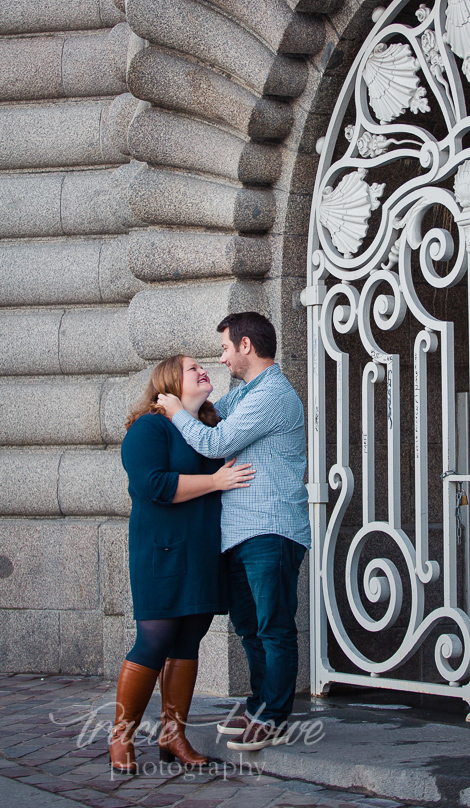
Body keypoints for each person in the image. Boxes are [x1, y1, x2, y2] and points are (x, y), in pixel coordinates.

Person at [157, 312, 310, 752]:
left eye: (225, 347)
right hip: (240, 532)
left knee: (273, 626)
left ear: (246, 345)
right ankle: (260, 704)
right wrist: (181, 402)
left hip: (271, 528)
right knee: (248, 626)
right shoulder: (243, 394)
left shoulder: (274, 395)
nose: (221, 358)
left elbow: (215, 443)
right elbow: (206, 421)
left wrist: (172, 410)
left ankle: (275, 717)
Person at [111, 354, 255, 773]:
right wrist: (214, 481)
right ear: (170, 381)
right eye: (193, 368)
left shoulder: (207, 430)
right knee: (154, 641)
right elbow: (152, 484)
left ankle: (173, 735)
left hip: (202, 552)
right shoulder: (150, 427)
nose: (203, 370)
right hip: (162, 553)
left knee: (188, 642)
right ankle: (121, 737)